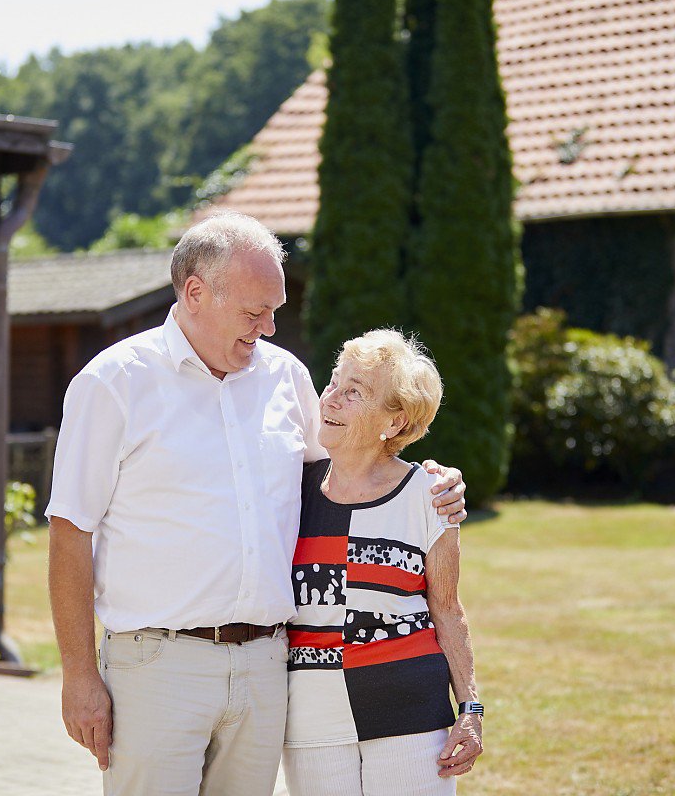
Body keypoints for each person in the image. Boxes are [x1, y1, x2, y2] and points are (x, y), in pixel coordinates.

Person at [44, 211, 467, 796]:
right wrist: (78, 675)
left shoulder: (284, 378)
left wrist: (430, 477)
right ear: (195, 293)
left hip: (269, 666)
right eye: (254, 312)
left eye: (276, 309)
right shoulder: (114, 382)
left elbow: (355, 463)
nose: (269, 327)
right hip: (158, 668)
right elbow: (70, 532)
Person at [282, 329, 483, 796]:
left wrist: (470, 710)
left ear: (393, 423)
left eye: (353, 392)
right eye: (333, 382)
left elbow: (448, 610)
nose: (329, 399)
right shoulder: (289, 491)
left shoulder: (429, 496)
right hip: (311, 722)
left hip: (411, 719)